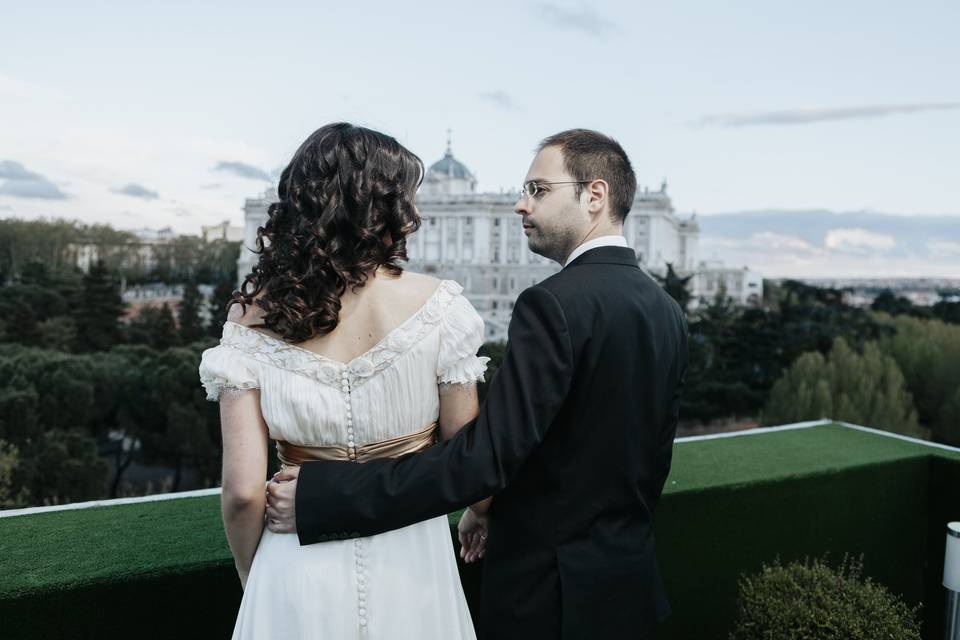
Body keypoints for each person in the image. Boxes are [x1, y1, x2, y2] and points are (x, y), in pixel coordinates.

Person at [266, 129, 690, 639]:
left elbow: (484, 457)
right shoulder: (666, 310)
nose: (520, 205)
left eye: (537, 189)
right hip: (628, 589)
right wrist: (482, 510)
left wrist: (323, 496)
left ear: (594, 196)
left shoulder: (552, 303)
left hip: (551, 597)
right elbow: (644, 459)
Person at [198, 123, 487, 639]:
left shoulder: (248, 319)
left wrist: (252, 572)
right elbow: (468, 454)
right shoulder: (444, 306)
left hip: (294, 560)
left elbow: (243, 493)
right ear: (390, 208)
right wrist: (481, 513)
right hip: (414, 557)